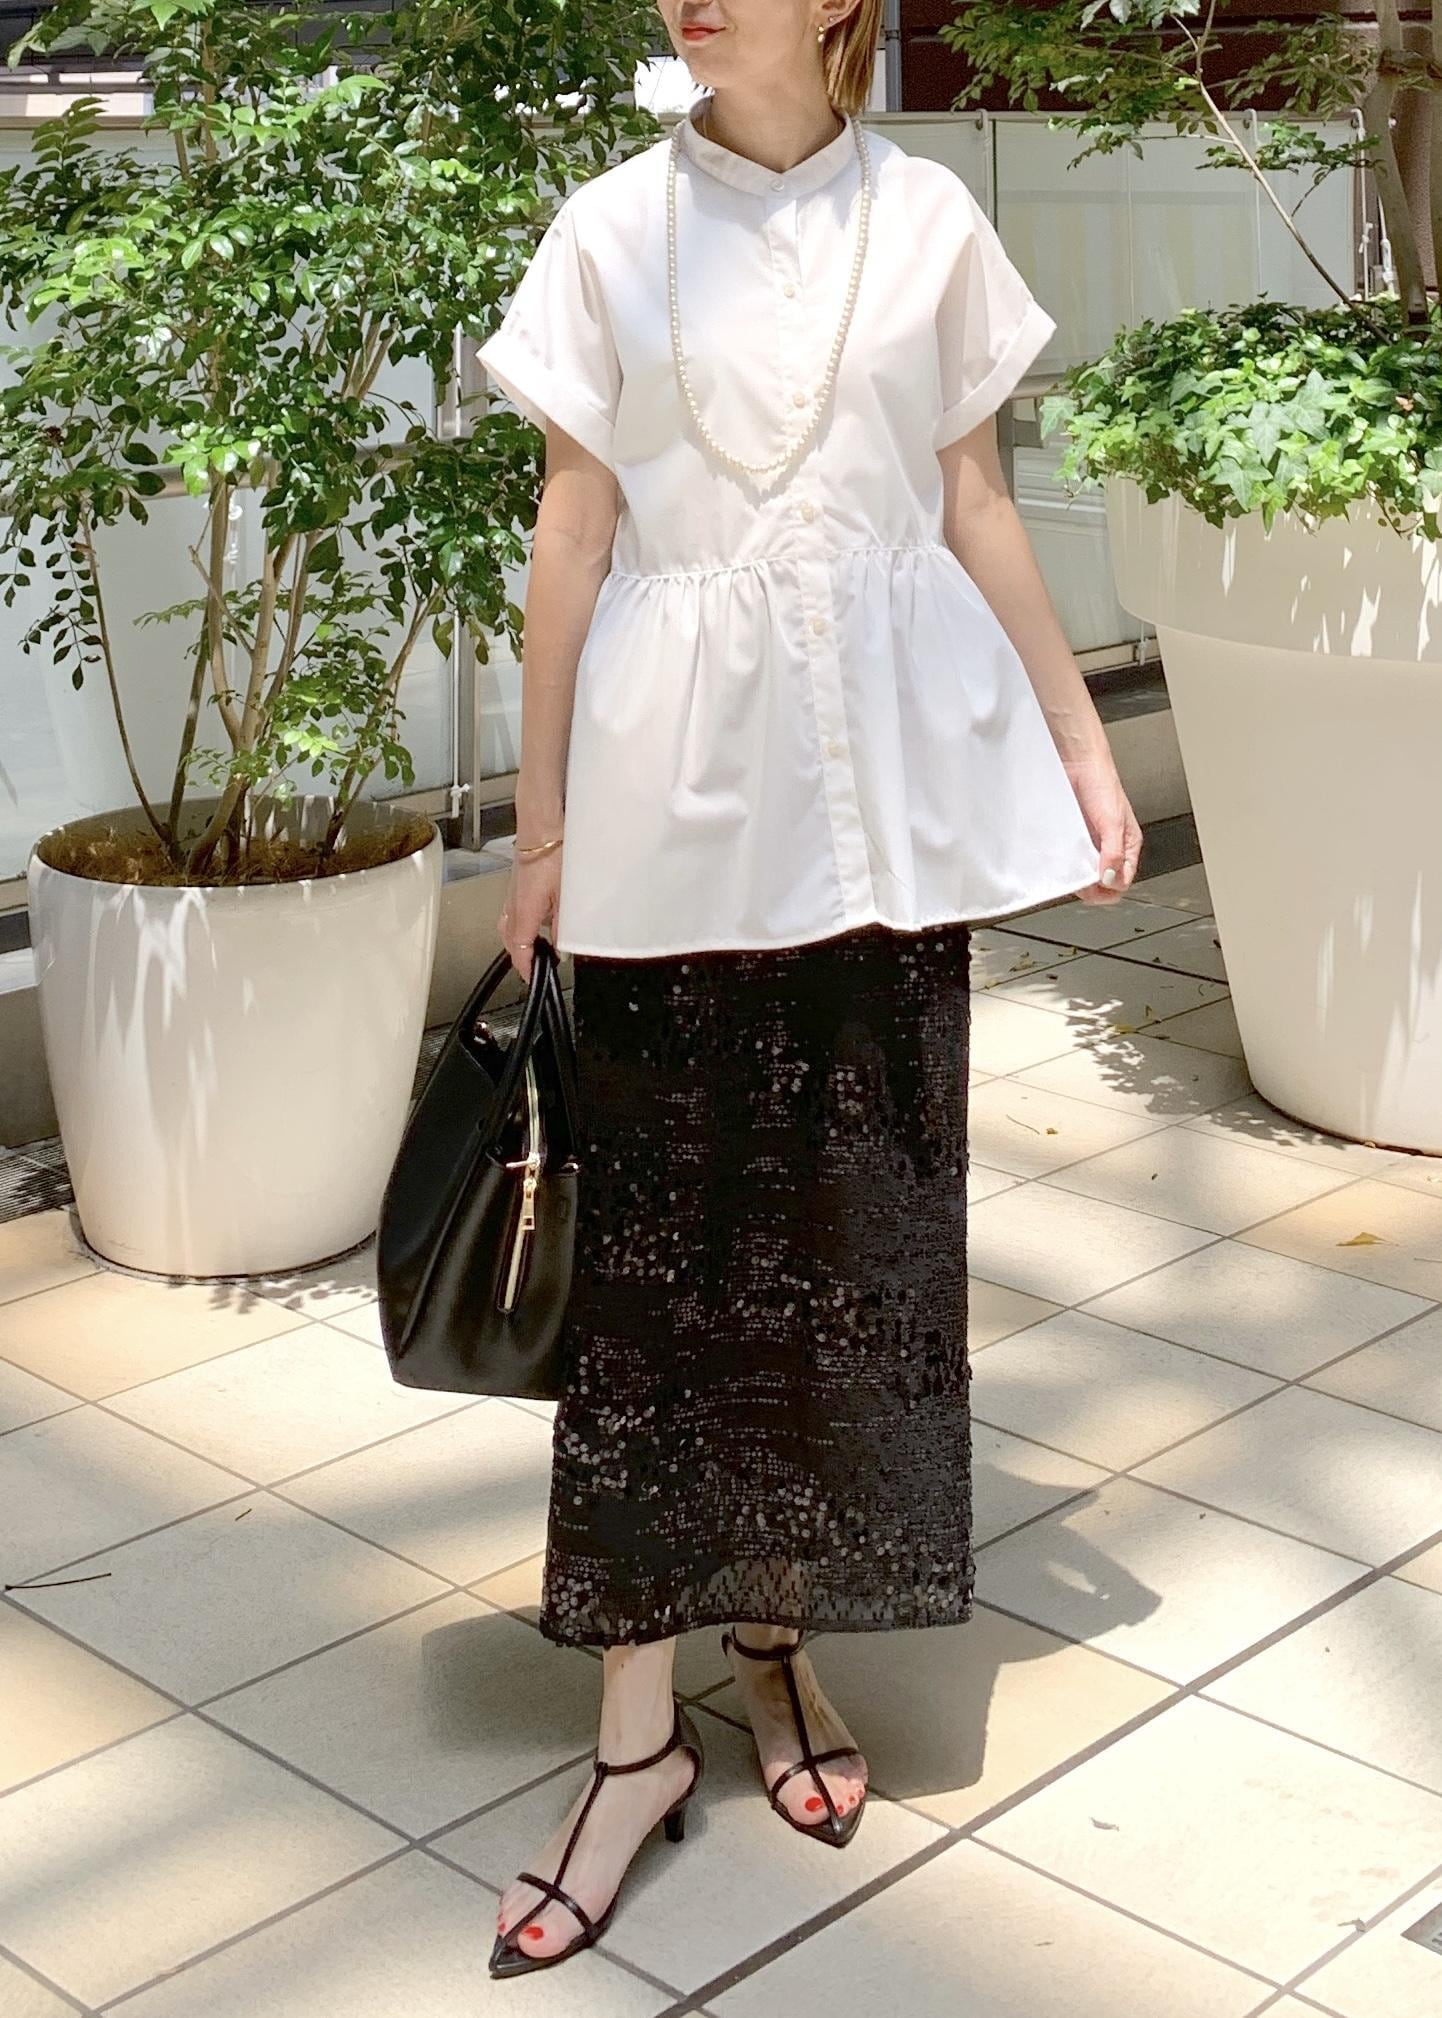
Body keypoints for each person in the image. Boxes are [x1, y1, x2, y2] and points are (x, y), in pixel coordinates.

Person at [475, 0, 1143, 1980]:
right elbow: (571, 530)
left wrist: (1081, 743)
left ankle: (777, 1643)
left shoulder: (924, 220)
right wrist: (537, 831)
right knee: (658, 1269)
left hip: (884, 809)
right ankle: (630, 1740)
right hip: (672, 805)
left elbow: (976, 501)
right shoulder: (609, 226)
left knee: (850, 1241)